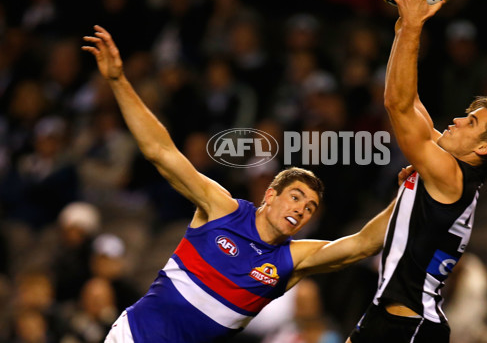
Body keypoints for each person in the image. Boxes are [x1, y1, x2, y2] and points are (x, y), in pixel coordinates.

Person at [82, 26, 399, 343]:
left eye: (309, 207)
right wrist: (118, 81)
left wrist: (409, 190)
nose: (301, 209)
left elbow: (364, 244)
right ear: (270, 196)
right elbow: (160, 152)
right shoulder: (222, 209)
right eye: (296, 197)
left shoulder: (293, 260)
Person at [347, 0, 487, 343]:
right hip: (388, 318)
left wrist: (413, 26)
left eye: (471, 121)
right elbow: (410, 102)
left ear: (482, 149)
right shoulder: (448, 170)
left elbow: (396, 106)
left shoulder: (450, 174)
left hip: (409, 327)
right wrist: (402, 29)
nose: (457, 119)